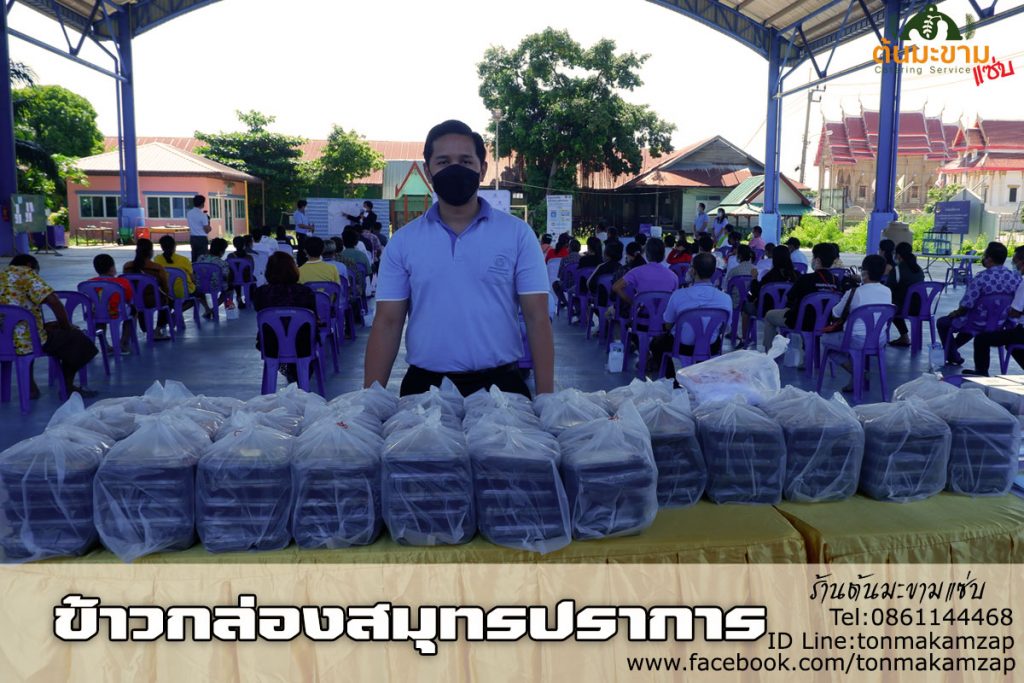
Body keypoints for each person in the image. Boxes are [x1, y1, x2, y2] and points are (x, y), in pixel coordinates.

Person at [366, 118, 553, 398]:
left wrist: (547, 398)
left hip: (501, 388)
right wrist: (369, 402)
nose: (455, 169)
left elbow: (537, 317)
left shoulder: (518, 234)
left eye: (465, 161)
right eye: (443, 162)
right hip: (425, 389)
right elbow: (388, 323)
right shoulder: (403, 242)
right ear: (428, 171)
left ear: (482, 169)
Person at [0, 254, 99, 398]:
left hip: (4, 341)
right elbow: (53, 301)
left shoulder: (2, 274)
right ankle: (68, 387)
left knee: (31, 341)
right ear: (30, 265)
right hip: (26, 340)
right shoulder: (26, 273)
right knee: (76, 339)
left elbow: (14, 312)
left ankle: (30, 388)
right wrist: (66, 326)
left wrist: (44, 326)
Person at [937, 241, 1020, 365]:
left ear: (989, 259)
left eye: (984, 255)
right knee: (972, 323)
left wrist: (955, 313)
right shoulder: (1015, 278)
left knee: (944, 322)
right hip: (1000, 324)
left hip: (977, 322)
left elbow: (967, 304)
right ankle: (952, 354)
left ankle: (952, 354)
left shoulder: (980, 278)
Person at [649, 252, 732, 377]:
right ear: (714, 271)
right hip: (711, 346)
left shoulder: (678, 295)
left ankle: (671, 377)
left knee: (656, 344)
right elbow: (725, 329)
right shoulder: (725, 299)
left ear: (693, 271)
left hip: (682, 347)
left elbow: (667, 325)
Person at [821, 254, 893, 391]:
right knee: (854, 344)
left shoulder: (855, 292)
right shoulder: (887, 291)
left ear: (864, 272)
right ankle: (856, 378)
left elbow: (836, 313)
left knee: (825, 340)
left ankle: (857, 372)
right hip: (879, 340)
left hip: (855, 340)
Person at [253, 251, 318, 385]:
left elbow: (259, 312)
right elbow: (313, 317)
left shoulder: (261, 293)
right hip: (302, 345)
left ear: (268, 271)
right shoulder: (305, 292)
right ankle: (301, 379)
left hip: (271, 345)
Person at [762, 242, 840, 351]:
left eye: (813, 257)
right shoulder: (836, 281)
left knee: (769, 315)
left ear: (817, 260)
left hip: (801, 321)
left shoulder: (805, 279)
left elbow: (790, 297)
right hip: (826, 323)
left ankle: (769, 353)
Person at [965, 246, 1024, 375]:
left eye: (1015, 262)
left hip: (1020, 332)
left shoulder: (1023, 284)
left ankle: (981, 371)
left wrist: (1002, 309)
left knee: (981, 338)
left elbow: (1015, 312)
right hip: (1011, 327)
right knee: (1009, 340)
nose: (1014, 265)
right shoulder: (1015, 279)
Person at [742, 244, 798, 347]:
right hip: (788, 311)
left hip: (765, 310)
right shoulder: (796, 276)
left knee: (745, 307)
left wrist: (754, 279)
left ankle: (745, 339)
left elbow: (754, 294)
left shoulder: (768, 276)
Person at [123, 238, 172, 340]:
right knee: (168, 301)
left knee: (139, 302)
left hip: (134, 301)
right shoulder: (157, 268)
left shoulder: (127, 267)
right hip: (152, 300)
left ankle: (146, 329)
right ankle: (158, 330)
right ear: (151, 252)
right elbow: (165, 287)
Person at [88, 253, 135, 355]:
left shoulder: (89, 283)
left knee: (100, 320)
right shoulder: (122, 282)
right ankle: (123, 343)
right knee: (133, 314)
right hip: (116, 312)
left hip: (96, 313)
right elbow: (128, 298)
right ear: (112, 268)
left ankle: (105, 345)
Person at [155, 235, 211, 318]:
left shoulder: (157, 259)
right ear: (175, 246)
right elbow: (192, 278)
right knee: (199, 293)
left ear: (161, 247)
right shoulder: (184, 260)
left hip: (166, 291)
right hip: (183, 292)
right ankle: (206, 309)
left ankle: (175, 312)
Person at [612, 238, 676, 306]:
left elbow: (615, 287)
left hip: (641, 311)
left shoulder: (636, 271)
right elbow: (673, 299)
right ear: (663, 256)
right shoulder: (673, 276)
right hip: (664, 312)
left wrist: (632, 302)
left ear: (646, 255)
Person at [886, 242, 926, 347]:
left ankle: (903, 336)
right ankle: (905, 338)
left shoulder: (897, 270)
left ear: (898, 255)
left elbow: (888, 289)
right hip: (922, 307)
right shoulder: (919, 269)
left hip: (905, 308)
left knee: (889, 306)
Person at [587, 241, 625, 306]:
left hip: (600, 302)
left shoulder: (601, 267)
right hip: (617, 303)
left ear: (607, 255)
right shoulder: (622, 269)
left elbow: (589, 284)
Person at [338, 229, 371, 299]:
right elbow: (368, 272)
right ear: (356, 242)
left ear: (343, 241)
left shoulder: (338, 257)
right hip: (359, 290)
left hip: (343, 291)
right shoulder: (362, 256)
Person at [227, 236, 255, 307]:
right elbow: (252, 269)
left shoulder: (230, 256)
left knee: (236, 276)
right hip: (246, 278)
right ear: (244, 244)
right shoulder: (249, 257)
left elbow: (228, 268)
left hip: (233, 279)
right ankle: (249, 298)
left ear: (234, 245)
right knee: (252, 279)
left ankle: (238, 297)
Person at [186, 194, 211, 261]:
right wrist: (208, 222)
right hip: (202, 239)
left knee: (194, 257)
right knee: (202, 259)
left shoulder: (189, 213)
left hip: (193, 238)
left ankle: (194, 267)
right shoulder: (203, 215)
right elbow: (207, 230)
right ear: (202, 203)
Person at [293, 199, 314, 265]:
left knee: (305, 249)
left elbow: (307, 223)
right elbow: (300, 225)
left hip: (306, 234)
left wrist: (311, 227)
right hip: (300, 234)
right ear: (302, 206)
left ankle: (305, 262)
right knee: (301, 249)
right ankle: (300, 264)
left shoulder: (304, 213)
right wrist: (309, 227)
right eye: (306, 206)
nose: (306, 207)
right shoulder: (297, 214)